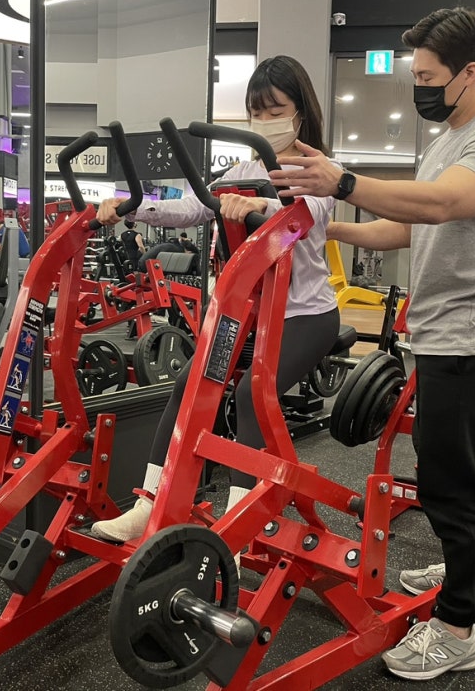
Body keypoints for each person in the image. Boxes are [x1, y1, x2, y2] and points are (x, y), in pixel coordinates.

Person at [268, 8, 475, 680]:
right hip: (445, 336)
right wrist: (329, 228)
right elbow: (411, 229)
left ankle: (457, 627)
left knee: (453, 482)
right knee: (448, 472)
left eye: (427, 77)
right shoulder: (447, 141)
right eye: (414, 75)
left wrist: (343, 182)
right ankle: (465, 572)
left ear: (468, 72)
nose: (418, 87)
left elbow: (443, 205)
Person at [91, 55, 341, 545]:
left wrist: (262, 202)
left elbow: (307, 210)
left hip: (306, 316)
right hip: (248, 315)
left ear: (300, 111)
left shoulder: (320, 170)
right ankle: (150, 503)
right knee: (189, 386)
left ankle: (240, 528)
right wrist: (130, 207)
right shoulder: (242, 168)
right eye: (256, 111)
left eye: (275, 110)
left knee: (252, 396)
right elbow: (190, 207)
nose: (264, 121)